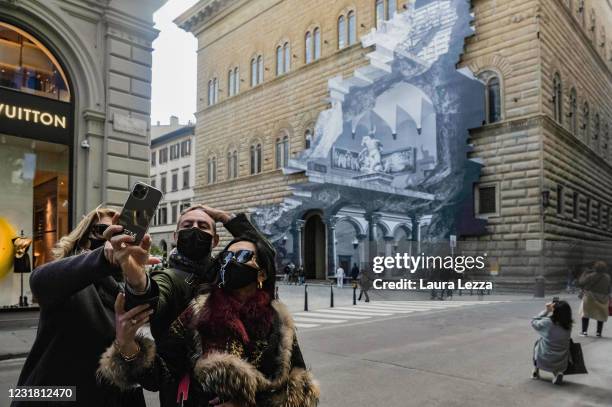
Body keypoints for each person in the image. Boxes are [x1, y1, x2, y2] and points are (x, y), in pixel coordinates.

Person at [98, 235, 320, 407]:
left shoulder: (278, 321)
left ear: (261, 274)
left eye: (242, 256)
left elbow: (298, 391)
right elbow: (162, 375)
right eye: (225, 257)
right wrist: (127, 345)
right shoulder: (197, 311)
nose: (231, 262)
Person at [13, 206, 153, 407]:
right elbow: (39, 281)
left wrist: (127, 345)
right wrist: (103, 258)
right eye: (101, 230)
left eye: (117, 232)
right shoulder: (70, 282)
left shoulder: (128, 292)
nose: (110, 238)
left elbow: (138, 372)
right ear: (83, 239)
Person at [111, 205, 263, 340]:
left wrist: (224, 217)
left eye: (203, 226)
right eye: (187, 225)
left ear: (215, 240)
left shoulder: (224, 273)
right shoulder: (167, 277)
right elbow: (150, 297)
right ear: (176, 237)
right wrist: (136, 276)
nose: (195, 228)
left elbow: (264, 254)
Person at [531, 300, 573, 385]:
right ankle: (558, 373)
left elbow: (533, 322)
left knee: (538, 343)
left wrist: (547, 310)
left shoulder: (548, 322)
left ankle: (535, 371)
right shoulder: (568, 325)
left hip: (545, 357)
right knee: (557, 346)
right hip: (561, 359)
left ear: (555, 311)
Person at [578, 261, 611, 337]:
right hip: (603, 298)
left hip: (590, 297)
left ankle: (584, 332)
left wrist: (584, 273)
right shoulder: (607, 277)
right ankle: (598, 333)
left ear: (595, 268)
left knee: (586, 313)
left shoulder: (590, 275)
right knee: (600, 314)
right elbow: (609, 289)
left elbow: (581, 282)